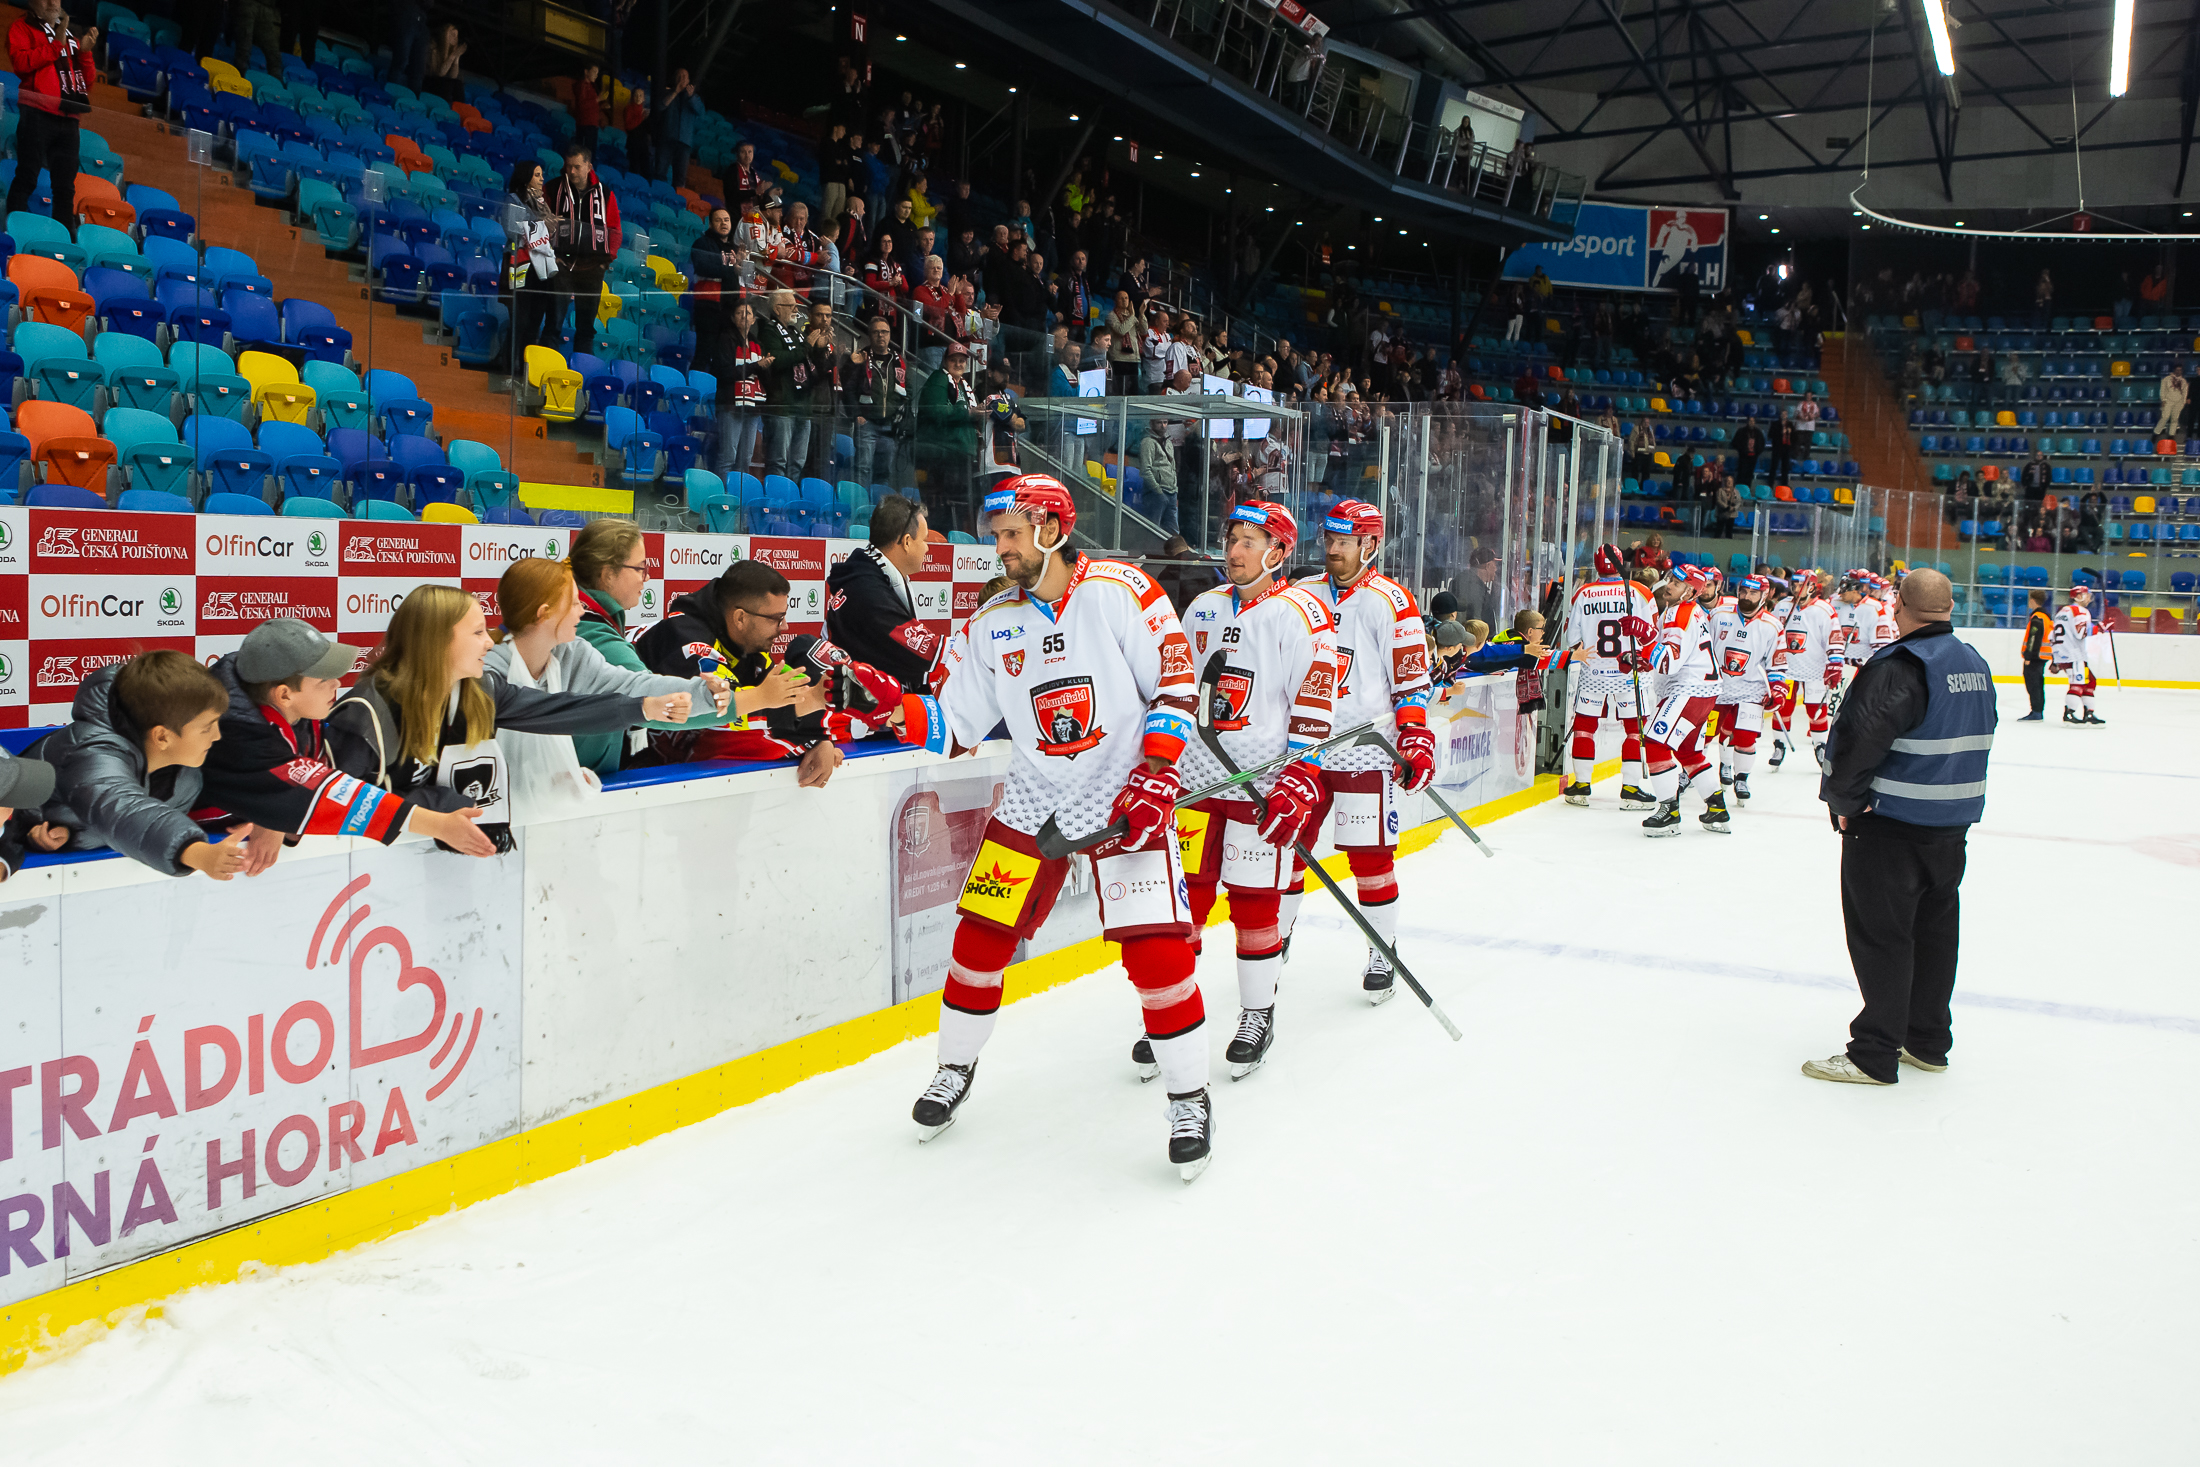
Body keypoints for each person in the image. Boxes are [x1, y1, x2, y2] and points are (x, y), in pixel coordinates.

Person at [895, 474, 1215, 1178]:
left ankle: (1189, 1098)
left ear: (1053, 529)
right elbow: (957, 727)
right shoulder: (991, 621)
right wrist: (898, 712)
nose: (1000, 547)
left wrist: (1158, 773)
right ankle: (954, 1068)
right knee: (979, 937)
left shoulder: (1122, 590)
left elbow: (1174, 684)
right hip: (1033, 795)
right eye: (997, 534)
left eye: (1012, 533)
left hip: (1123, 787)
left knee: (1157, 952)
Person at [1168, 500, 1337, 1075]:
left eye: (1248, 541)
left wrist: (1300, 775)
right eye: (1231, 538)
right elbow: (1176, 685)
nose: (1234, 550)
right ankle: (1172, 1011)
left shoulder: (1301, 613)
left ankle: (1257, 1014)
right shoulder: (1203, 607)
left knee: (1254, 904)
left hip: (1259, 788)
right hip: (1195, 785)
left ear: (1278, 552)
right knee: (1184, 902)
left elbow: (1313, 703)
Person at [327, 586, 689, 854]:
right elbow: (341, 808)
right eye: (477, 633)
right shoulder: (368, 714)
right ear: (437, 641)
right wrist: (439, 807)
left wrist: (640, 708)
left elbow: (555, 710)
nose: (490, 642)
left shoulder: (477, 689)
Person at [1806, 569, 1993, 1086]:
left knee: (1882, 938)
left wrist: (1844, 804)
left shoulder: (1899, 666)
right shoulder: (1973, 663)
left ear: (1899, 607)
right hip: (1951, 826)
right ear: (1949, 607)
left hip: (1890, 825)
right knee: (1935, 934)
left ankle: (1874, 1053)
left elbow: (1856, 743)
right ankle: (1927, 1041)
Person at [1282, 499, 1438, 1001]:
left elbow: (1411, 681)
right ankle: (1275, 936)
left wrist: (1415, 736)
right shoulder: (1299, 595)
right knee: (1284, 849)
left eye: (1344, 542)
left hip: (1364, 750)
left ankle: (1381, 947)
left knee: (1370, 859)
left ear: (1369, 545)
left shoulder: (1392, 601)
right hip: (1302, 747)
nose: (1333, 549)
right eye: (1329, 540)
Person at [197, 619, 497, 872]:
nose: (338, 684)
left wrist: (272, 817)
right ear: (284, 695)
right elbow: (329, 794)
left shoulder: (274, 694)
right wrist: (438, 825)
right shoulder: (238, 735)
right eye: (323, 680)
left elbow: (292, 785)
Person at [484, 559, 731, 819]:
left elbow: (632, 685)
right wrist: (641, 708)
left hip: (540, 818)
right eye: (574, 602)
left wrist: (702, 692)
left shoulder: (573, 654)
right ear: (544, 613)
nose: (582, 610)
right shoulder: (488, 671)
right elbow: (550, 712)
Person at [635, 560, 877, 786]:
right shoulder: (688, 642)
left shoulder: (746, 641)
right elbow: (730, 709)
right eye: (777, 618)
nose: (785, 627)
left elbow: (780, 695)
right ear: (740, 618)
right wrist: (811, 732)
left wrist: (820, 739)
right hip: (627, 762)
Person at [21, 651, 250, 879]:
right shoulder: (93, 753)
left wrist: (70, 832)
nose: (217, 735)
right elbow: (125, 811)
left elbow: (125, 826)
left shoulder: (186, 778)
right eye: (207, 728)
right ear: (162, 737)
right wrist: (198, 853)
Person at [1558, 543, 1658, 808]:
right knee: (1634, 730)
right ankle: (1631, 788)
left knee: (1584, 726)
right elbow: (1652, 634)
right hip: (1630, 671)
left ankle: (1581, 785)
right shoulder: (1640, 591)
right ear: (1622, 562)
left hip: (1594, 671)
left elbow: (1572, 638)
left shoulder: (1583, 593)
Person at [824, 494, 940, 693]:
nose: (928, 548)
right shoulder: (867, 590)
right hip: (864, 705)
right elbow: (921, 651)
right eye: (924, 540)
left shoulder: (865, 575)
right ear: (907, 542)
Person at [1639, 565, 1722, 836]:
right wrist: (1640, 658)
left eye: (1677, 583)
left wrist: (1645, 638)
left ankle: (1669, 812)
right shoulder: (1685, 611)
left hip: (1689, 690)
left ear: (1690, 591)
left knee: (1655, 742)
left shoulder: (1679, 613)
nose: (1669, 585)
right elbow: (1670, 655)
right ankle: (1717, 808)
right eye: (1670, 580)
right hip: (1701, 691)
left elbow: (1668, 662)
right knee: (1688, 752)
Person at [6, 0, 94, 233]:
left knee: (65, 189)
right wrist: (56, 45)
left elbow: (87, 83)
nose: (53, 2)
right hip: (36, 113)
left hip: (70, 117)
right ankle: (15, 233)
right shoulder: (22, 27)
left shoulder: (70, 35)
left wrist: (85, 53)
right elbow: (21, 63)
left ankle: (63, 241)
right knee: (27, 177)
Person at [1708, 574, 1782, 818]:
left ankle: (1741, 779)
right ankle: (1708, 769)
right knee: (1705, 734)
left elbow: (1776, 664)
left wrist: (1777, 689)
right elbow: (1702, 648)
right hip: (1717, 686)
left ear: (1764, 595)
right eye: (1743, 591)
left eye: (1753, 593)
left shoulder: (1772, 626)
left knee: (1745, 737)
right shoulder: (1719, 615)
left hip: (1751, 689)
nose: (1746, 596)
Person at [546, 144, 620, 359]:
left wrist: (606, 261)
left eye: (577, 167)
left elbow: (615, 230)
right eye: (568, 166)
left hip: (592, 268)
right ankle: (547, 365)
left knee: (586, 327)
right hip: (561, 264)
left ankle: (582, 368)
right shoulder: (552, 188)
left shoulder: (605, 194)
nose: (571, 171)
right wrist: (551, 254)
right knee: (553, 321)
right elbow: (540, 223)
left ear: (589, 166)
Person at [1767, 570, 1844, 770]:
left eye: (1800, 585)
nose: (1796, 589)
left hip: (1814, 668)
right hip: (1785, 669)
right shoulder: (1782, 606)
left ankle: (1820, 746)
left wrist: (1835, 663)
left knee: (1815, 708)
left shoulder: (1824, 610)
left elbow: (1834, 638)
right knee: (1782, 706)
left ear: (1811, 587)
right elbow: (1770, 632)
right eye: (1794, 585)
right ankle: (1779, 745)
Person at [917, 341, 983, 528]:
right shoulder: (939, 379)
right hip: (941, 456)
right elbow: (936, 411)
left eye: (962, 360)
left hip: (960, 456)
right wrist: (967, 412)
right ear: (945, 361)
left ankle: (952, 538)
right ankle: (939, 540)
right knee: (942, 508)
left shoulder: (963, 385)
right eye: (954, 360)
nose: (958, 364)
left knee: (958, 507)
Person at [504, 162, 560, 381]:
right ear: (526, 177)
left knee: (535, 319)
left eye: (542, 174)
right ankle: (510, 367)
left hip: (541, 266)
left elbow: (550, 232)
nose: (541, 178)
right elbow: (512, 230)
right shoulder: (513, 200)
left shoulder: (542, 202)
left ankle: (525, 370)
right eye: (537, 175)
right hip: (520, 263)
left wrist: (549, 225)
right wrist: (542, 225)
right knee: (520, 318)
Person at [847, 314, 912, 489]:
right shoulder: (861, 358)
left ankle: (879, 504)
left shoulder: (898, 361)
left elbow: (909, 390)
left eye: (884, 332)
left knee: (884, 472)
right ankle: (860, 504)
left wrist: (899, 412)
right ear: (869, 335)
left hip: (890, 425)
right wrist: (857, 414)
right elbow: (849, 388)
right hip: (867, 423)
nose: (880, 335)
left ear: (890, 335)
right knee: (863, 469)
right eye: (876, 332)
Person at [710, 298, 766, 479]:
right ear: (733, 318)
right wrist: (756, 366)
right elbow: (724, 372)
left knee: (745, 459)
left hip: (752, 406)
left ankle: (737, 495)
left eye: (748, 313)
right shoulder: (726, 339)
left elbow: (761, 376)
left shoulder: (757, 344)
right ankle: (721, 494)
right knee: (728, 457)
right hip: (730, 404)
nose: (744, 316)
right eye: (739, 313)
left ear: (754, 319)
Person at [2051, 580, 2108, 725]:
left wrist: (2055, 660)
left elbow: (2053, 636)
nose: (2089, 598)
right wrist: (2100, 628)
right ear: (2078, 596)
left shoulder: (2061, 612)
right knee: (2078, 684)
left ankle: (2089, 713)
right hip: (2074, 655)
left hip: (2063, 654)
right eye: (2086, 595)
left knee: (2090, 681)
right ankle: (2069, 714)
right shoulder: (2080, 611)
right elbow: (2081, 633)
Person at [657, 68, 703, 187]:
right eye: (679, 76)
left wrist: (691, 97)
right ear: (675, 79)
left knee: (680, 177)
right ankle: (658, 193)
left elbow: (701, 112)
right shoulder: (667, 92)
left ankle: (675, 197)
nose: (682, 78)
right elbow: (661, 106)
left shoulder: (693, 97)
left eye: (684, 76)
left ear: (688, 80)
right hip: (667, 138)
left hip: (684, 142)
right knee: (660, 171)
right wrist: (675, 91)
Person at [1137, 414, 1179, 535]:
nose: (1163, 426)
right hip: (1156, 492)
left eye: (1165, 422)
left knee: (1173, 531)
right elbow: (1145, 470)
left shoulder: (1168, 442)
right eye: (1159, 423)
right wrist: (1157, 490)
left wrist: (1175, 488)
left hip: (1171, 491)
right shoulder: (1148, 442)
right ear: (1152, 424)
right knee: (1153, 529)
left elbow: (1173, 467)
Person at [2019, 587, 2051, 721]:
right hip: (2041, 656)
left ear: (2033, 600)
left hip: (2035, 657)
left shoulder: (2037, 617)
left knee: (2033, 683)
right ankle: (2037, 710)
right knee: (2037, 683)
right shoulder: (2045, 616)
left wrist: (2028, 656)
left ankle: (2036, 711)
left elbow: (2034, 638)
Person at [1458, 546, 1501, 630]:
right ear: (1488, 566)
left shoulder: (1465, 580)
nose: (1495, 569)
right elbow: (1475, 623)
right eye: (1494, 565)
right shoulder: (1474, 587)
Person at [424, 22, 465, 104]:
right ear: (445, 35)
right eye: (452, 35)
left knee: (458, 83)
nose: (455, 38)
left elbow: (453, 76)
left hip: (442, 84)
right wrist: (452, 56)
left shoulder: (452, 52)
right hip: (429, 81)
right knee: (446, 83)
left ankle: (459, 107)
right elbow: (440, 74)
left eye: (456, 36)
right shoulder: (434, 49)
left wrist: (457, 58)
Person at [572, 63, 604, 155]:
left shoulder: (592, 87)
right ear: (586, 71)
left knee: (591, 153)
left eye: (597, 73)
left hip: (592, 124)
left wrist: (601, 105)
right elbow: (582, 105)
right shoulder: (582, 85)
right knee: (584, 152)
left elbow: (591, 106)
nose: (596, 75)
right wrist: (597, 100)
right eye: (594, 72)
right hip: (585, 124)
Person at [2157, 363, 2188, 439]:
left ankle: (2171, 435)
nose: (2178, 371)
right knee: (2164, 417)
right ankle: (2156, 433)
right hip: (2168, 401)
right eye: (2177, 370)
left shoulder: (2183, 381)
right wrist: (2163, 399)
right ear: (2174, 370)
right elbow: (2163, 390)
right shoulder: (2167, 379)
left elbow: (2185, 392)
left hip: (2178, 402)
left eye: (2180, 370)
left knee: (2175, 419)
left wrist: (2183, 402)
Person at [1733, 415, 1763, 486]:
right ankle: (1739, 488)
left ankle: (1747, 489)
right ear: (1747, 422)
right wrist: (1742, 450)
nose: (1751, 422)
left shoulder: (1758, 432)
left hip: (1753, 458)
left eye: (1753, 421)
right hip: (1743, 457)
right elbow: (1735, 443)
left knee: (1749, 475)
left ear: (1755, 422)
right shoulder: (1741, 431)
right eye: (1750, 421)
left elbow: (1762, 444)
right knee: (1741, 474)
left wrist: (1757, 452)